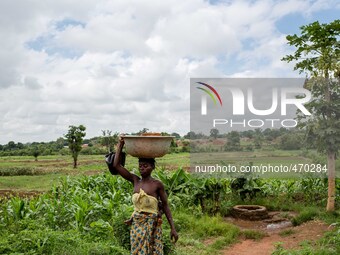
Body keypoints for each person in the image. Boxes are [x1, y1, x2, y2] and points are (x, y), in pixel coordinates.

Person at [113, 137, 178, 255]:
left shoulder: (157, 184)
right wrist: (120, 144)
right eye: (140, 165)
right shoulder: (135, 180)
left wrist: (173, 228)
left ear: (152, 167)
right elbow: (117, 166)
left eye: (145, 165)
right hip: (136, 227)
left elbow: (166, 206)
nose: (142, 168)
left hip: (152, 226)